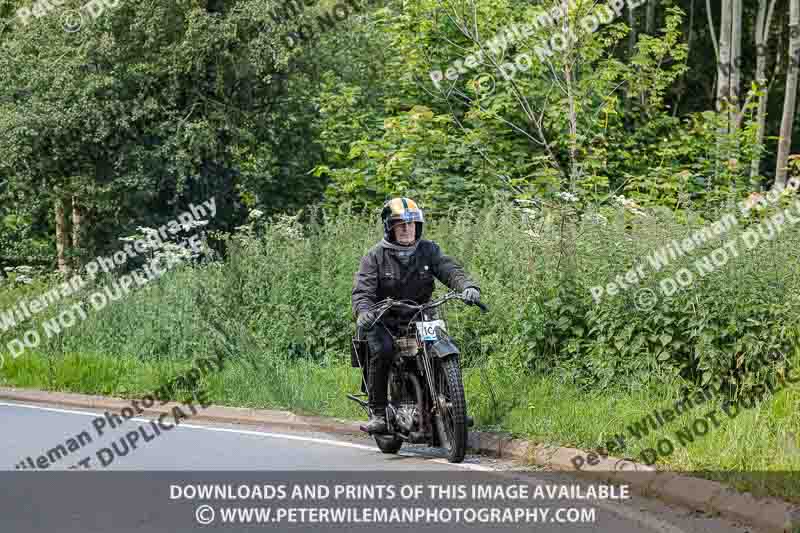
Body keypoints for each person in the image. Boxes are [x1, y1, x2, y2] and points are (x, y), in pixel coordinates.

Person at [351, 197, 482, 433]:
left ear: (418, 226)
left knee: (443, 345)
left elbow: (449, 269)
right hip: (385, 319)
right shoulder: (375, 257)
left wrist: (467, 287)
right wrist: (364, 312)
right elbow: (363, 291)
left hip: (421, 313)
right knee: (384, 350)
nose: (406, 229)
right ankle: (379, 413)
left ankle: (455, 409)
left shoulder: (428, 250)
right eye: (400, 224)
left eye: (411, 224)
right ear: (389, 227)